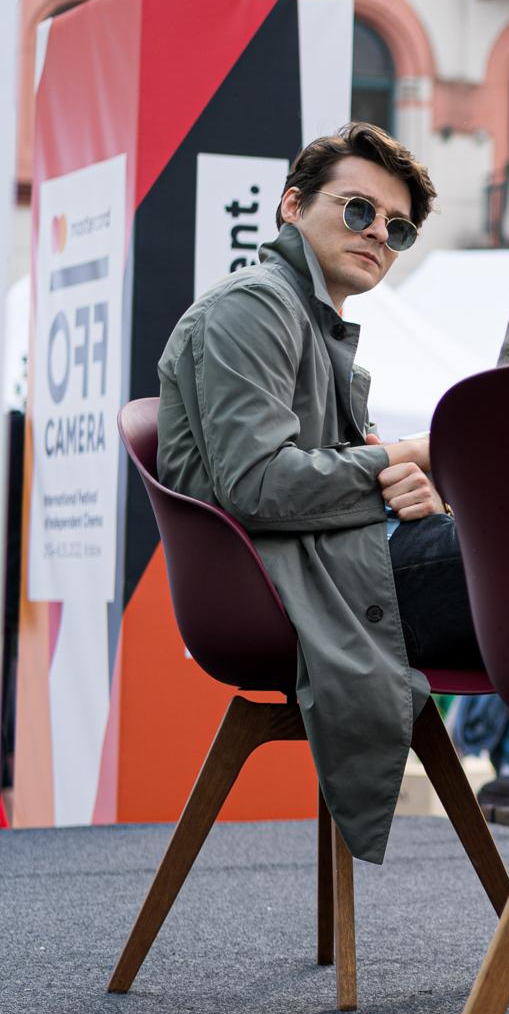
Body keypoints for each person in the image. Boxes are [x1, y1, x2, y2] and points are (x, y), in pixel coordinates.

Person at [152, 121, 462, 868]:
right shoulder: (255, 305)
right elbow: (257, 483)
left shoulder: (309, 319)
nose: (378, 236)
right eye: (358, 211)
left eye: (398, 229)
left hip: (332, 573)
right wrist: (400, 457)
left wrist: (400, 481)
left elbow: (320, 471)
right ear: (292, 206)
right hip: (295, 591)